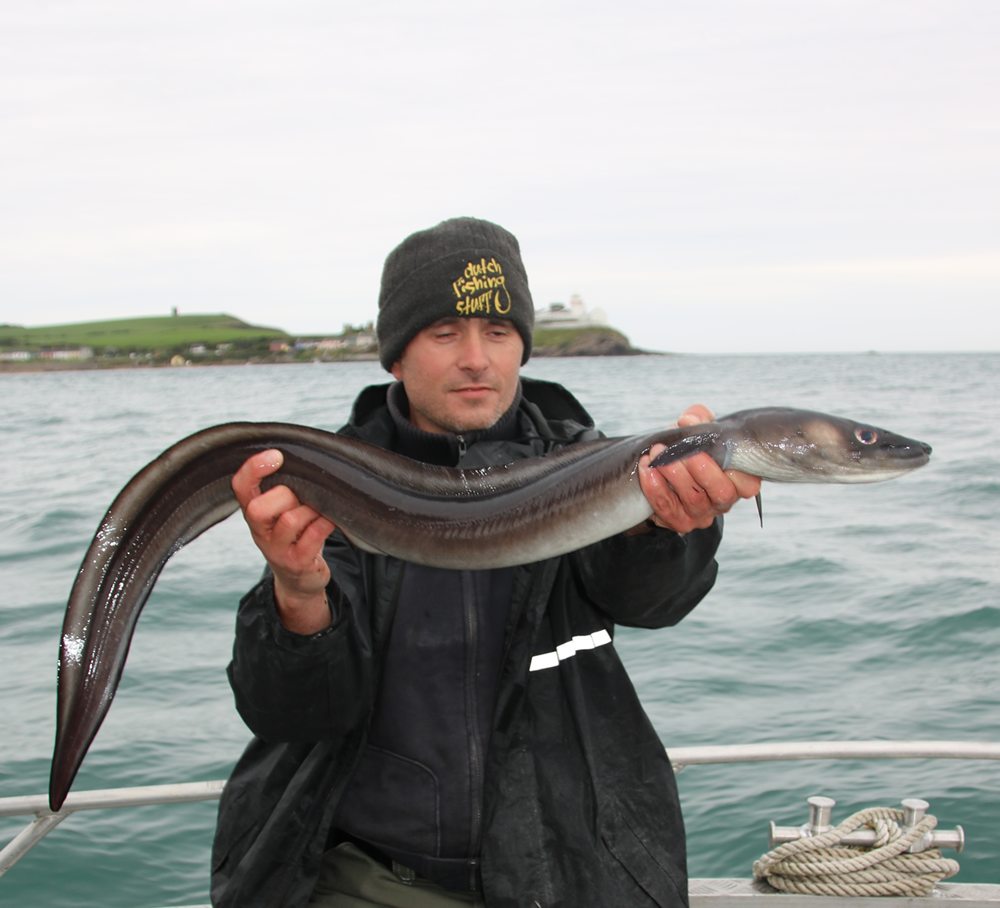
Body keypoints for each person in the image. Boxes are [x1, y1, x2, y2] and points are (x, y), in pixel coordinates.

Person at [210, 217, 760, 907]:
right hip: (367, 875)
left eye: (498, 333)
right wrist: (297, 592)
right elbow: (291, 714)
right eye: (445, 333)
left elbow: (653, 602)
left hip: (564, 867)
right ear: (395, 357)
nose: (477, 358)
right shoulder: (335, 488)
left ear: (523, 348)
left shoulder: (599, 467)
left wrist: (664, 529)